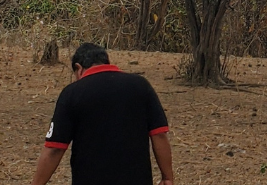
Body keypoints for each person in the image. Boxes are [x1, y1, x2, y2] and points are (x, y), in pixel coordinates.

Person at [31, 43, 175, 185]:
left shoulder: (72, 93)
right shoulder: (141, 86)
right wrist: (167, 177)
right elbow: (159, 134)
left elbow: (54, 148)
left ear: (78, 68)